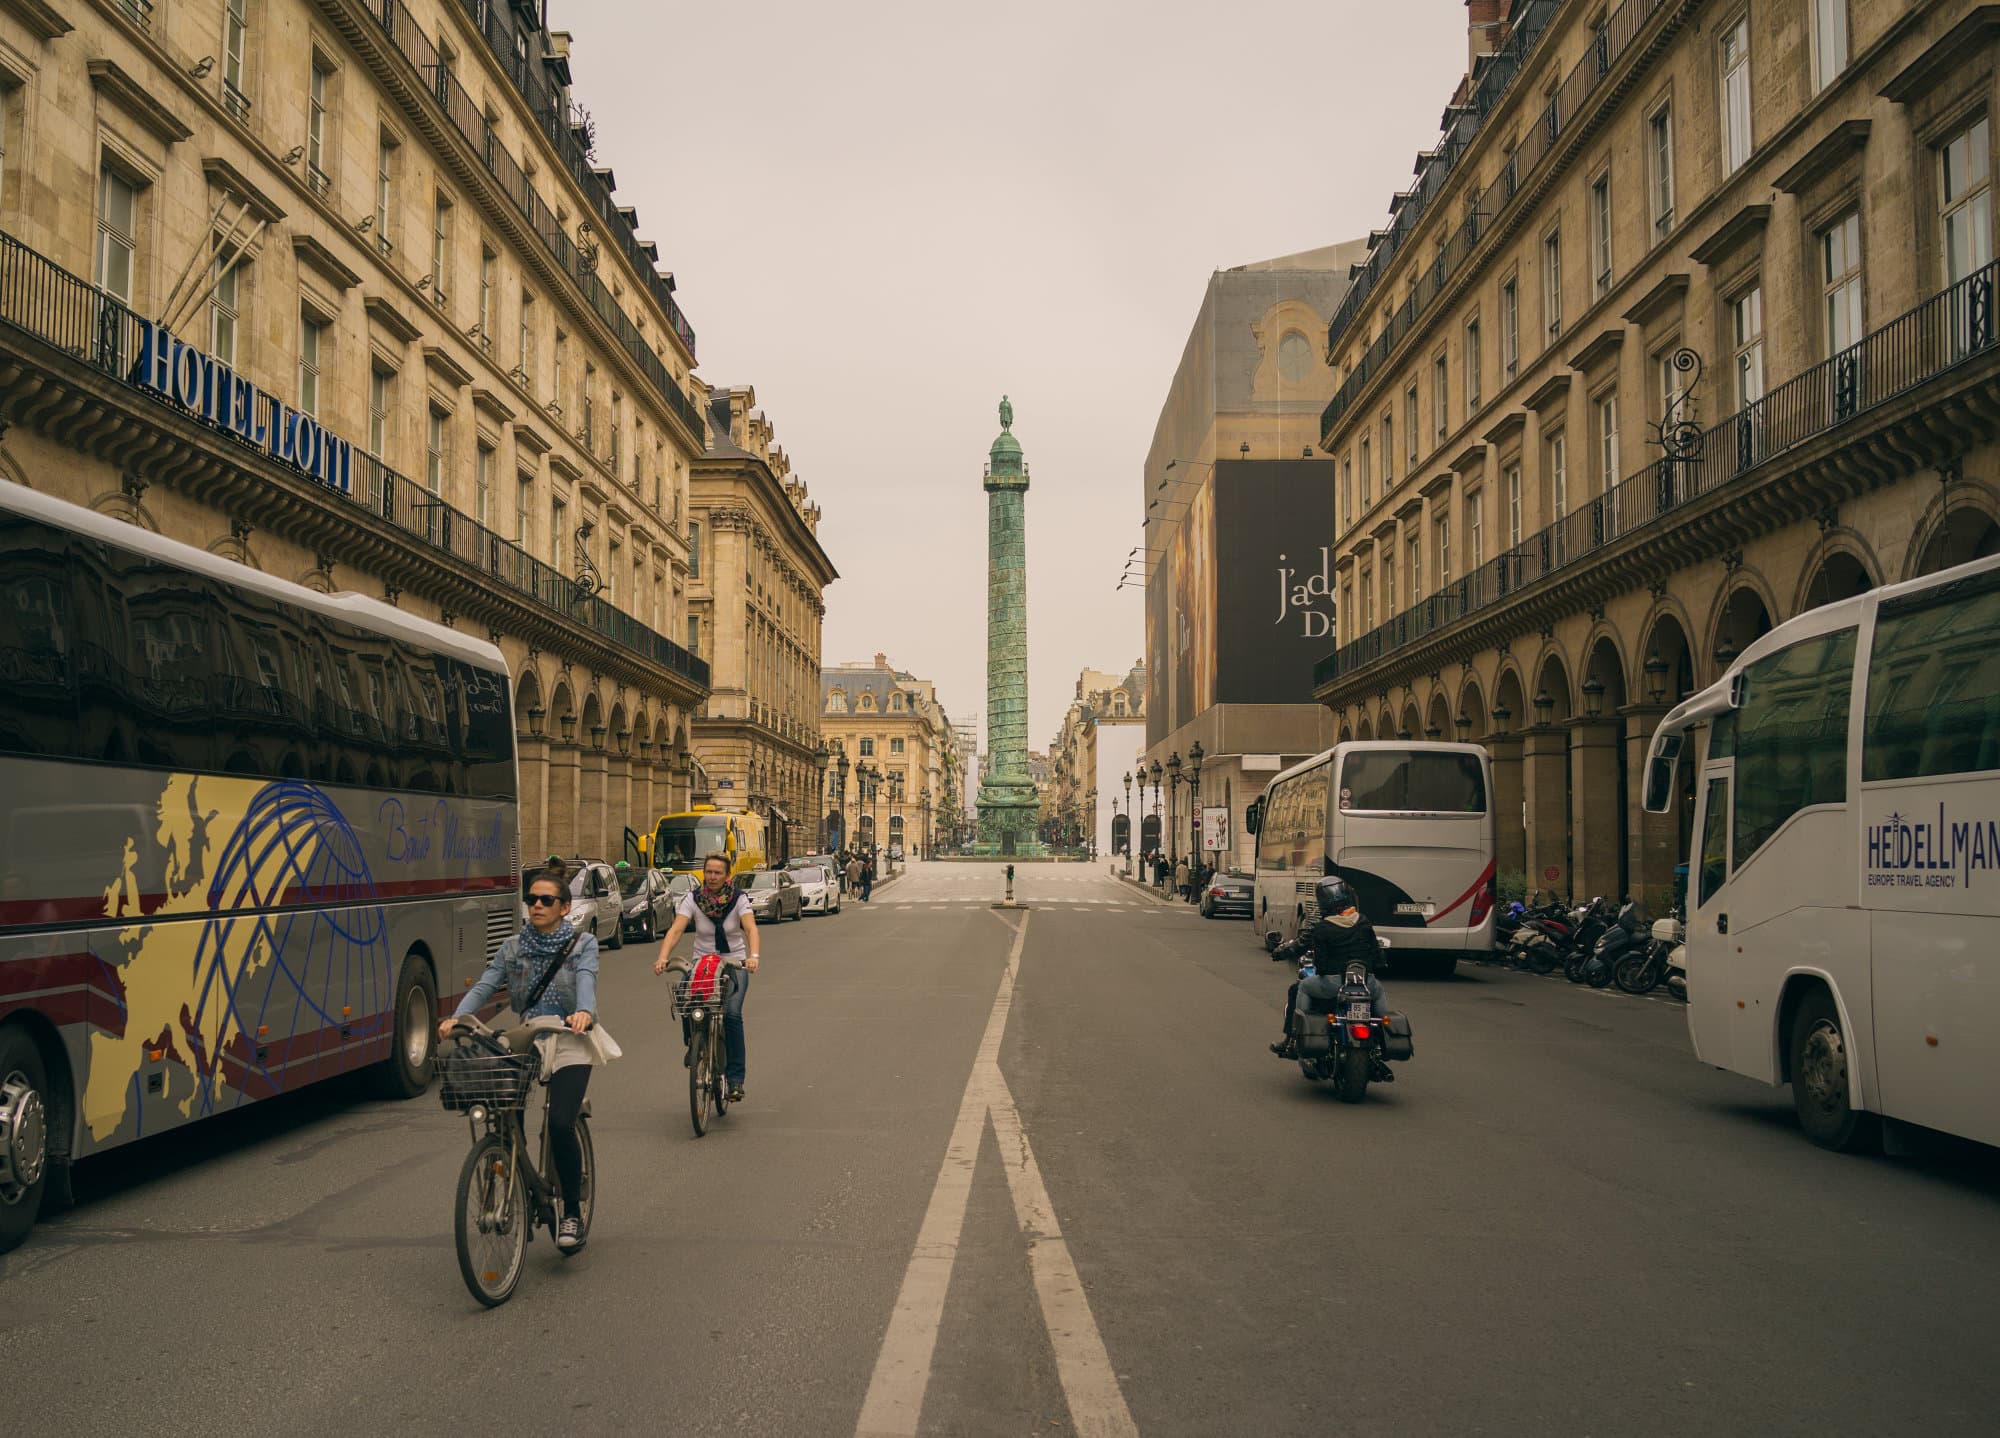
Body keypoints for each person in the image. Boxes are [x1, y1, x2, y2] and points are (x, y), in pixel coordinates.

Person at [442, 863, 601, 1251]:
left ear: (564, 907)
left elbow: (586, 979)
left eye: (547, 900)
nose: (537, 906)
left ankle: (572, 1213)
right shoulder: (512, 947)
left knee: (561, 1122)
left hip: (570, 1036)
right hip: (526, 1037)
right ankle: (521, 1176)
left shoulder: (582, 944)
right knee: (502, 1116)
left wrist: (584, 1012)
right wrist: (459, 1017)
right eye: (532, 899)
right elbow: (485, 983)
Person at [653, 852, 760, 1102]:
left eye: (717, 873)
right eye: (708, 872)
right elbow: (677, 929)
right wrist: (662, 956)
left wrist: (753, 956)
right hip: (703, 963)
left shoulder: (738, 899)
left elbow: (751, 928)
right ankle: (694, 1043)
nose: (711, 877)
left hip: (733, 962)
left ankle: (735, 1080)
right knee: (684, 996)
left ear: (727, 876)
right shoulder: (693, 899)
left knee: (732, 1013)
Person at [1272, 876, 1389, 1061]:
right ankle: (1384, 1031)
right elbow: (1377, 957)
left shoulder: (1323, 928)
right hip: (1364, 984)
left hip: (1334, 983)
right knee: (1379, 991)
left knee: (1302, 987)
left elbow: (1322, 965)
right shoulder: (1364, 922)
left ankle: (1294, 1039)